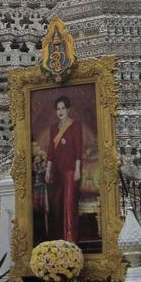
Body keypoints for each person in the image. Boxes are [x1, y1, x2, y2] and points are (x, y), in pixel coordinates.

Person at [45, 95, 83, 242]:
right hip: (57, 171)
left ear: (68, 110)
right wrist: (48, 170)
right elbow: (50, 151)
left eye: (63, 108)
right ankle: (60, 239)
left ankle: (71, 239)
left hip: (71, 171)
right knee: (57, 205)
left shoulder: (75, 126)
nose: (60, 111)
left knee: (69, 204)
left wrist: (78, 169)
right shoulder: (53, 128)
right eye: (58, 109)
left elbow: (79, 148)